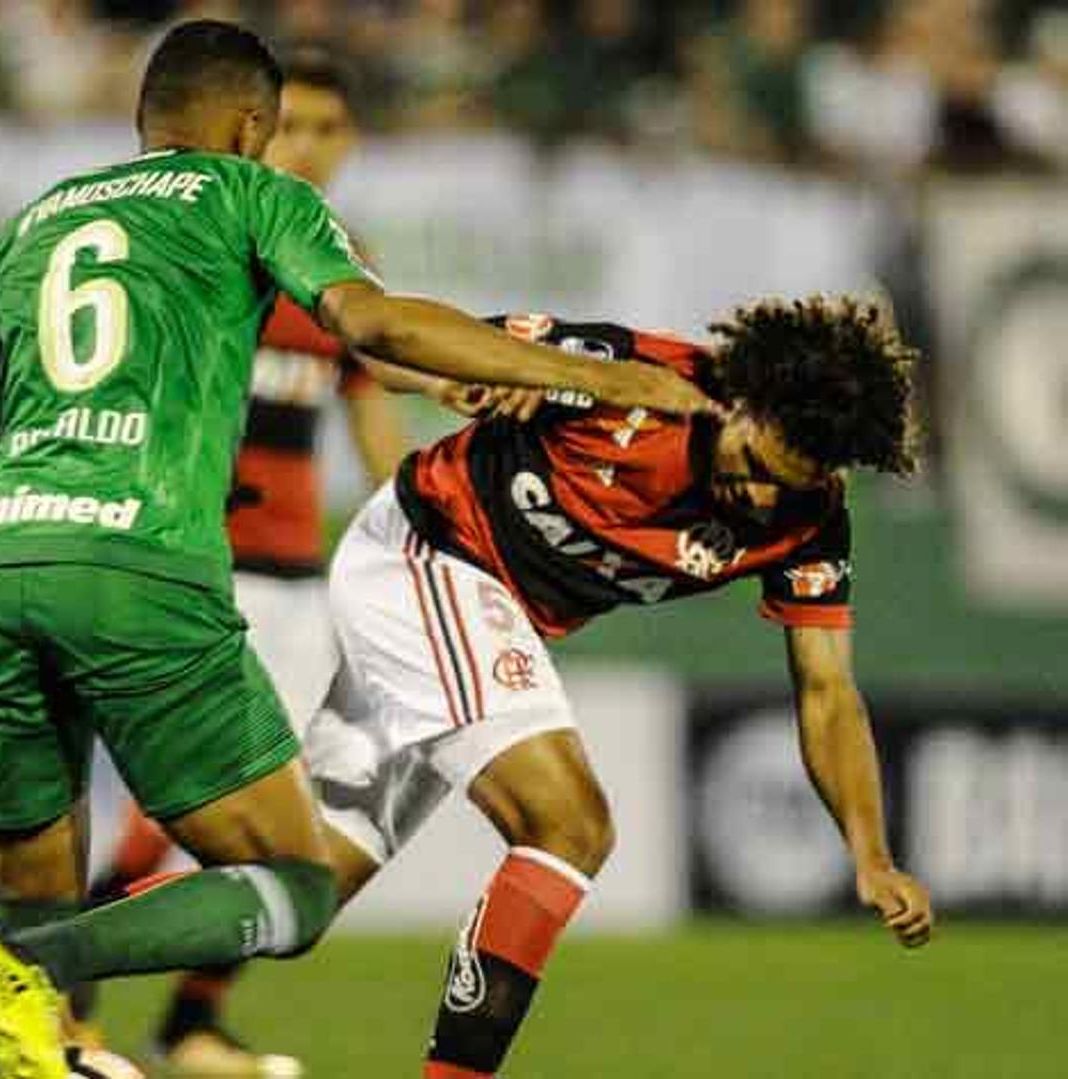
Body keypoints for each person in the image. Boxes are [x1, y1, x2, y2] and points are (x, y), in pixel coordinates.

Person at [0, 20, 713, 1079]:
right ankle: (58, 977)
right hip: (147, 569)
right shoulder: (256, 197)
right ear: (252, 127)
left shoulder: (33, 221)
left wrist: (62, 461)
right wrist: (598, 377)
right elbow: (377, 327)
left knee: (16, 892)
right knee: (295, 878)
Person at [314, 300, 936, 1079]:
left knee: (298, 888)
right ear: (740, 403)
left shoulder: (808, 520)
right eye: (761, 466)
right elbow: (383, 349)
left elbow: (827, 690)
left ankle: (109, 992)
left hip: (479, 622)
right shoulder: (629, 378)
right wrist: (474, 377)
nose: (763, 498)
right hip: (430, 551)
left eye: (794, 483)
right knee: (570, 824)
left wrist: (870, 852)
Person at [71, 48, 403, 1076]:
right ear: (252, 130)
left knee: (284, 823)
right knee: (169, 819)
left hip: (298, 582)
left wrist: (417, 532)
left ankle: (190, 1024)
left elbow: (367, 405)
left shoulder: (340, 256)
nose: (306, 147)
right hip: (201, 573)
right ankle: (61, 1003)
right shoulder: (206, 234)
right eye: (290, 125)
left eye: (327, 129)